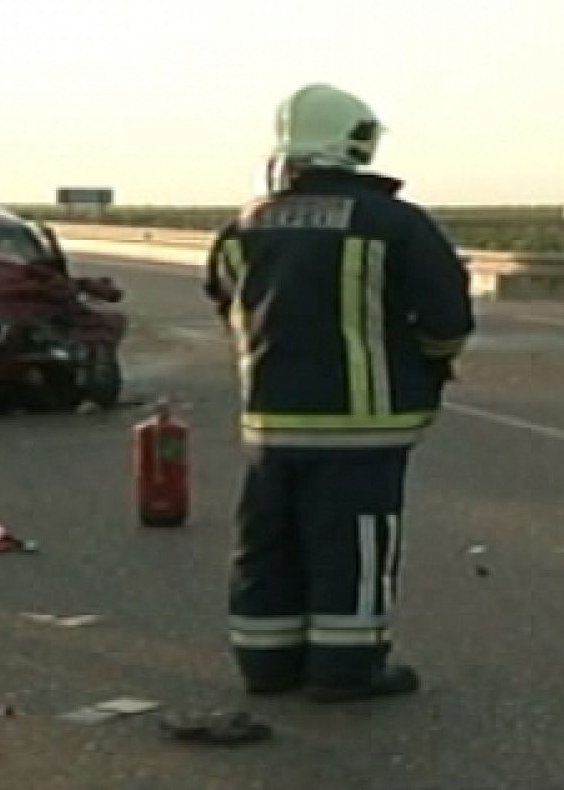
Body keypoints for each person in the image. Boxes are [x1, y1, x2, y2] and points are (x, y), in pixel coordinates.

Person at [203, 83, 474, 703]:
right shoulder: (393, 223)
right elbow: (446, 320)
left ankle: (266, 665)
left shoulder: (245, 226)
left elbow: (224, 299)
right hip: (364, 424)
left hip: (270, 422)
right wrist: (427, 367)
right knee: (352, 544)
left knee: (269, 543)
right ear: (355, 141)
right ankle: (346, 670)